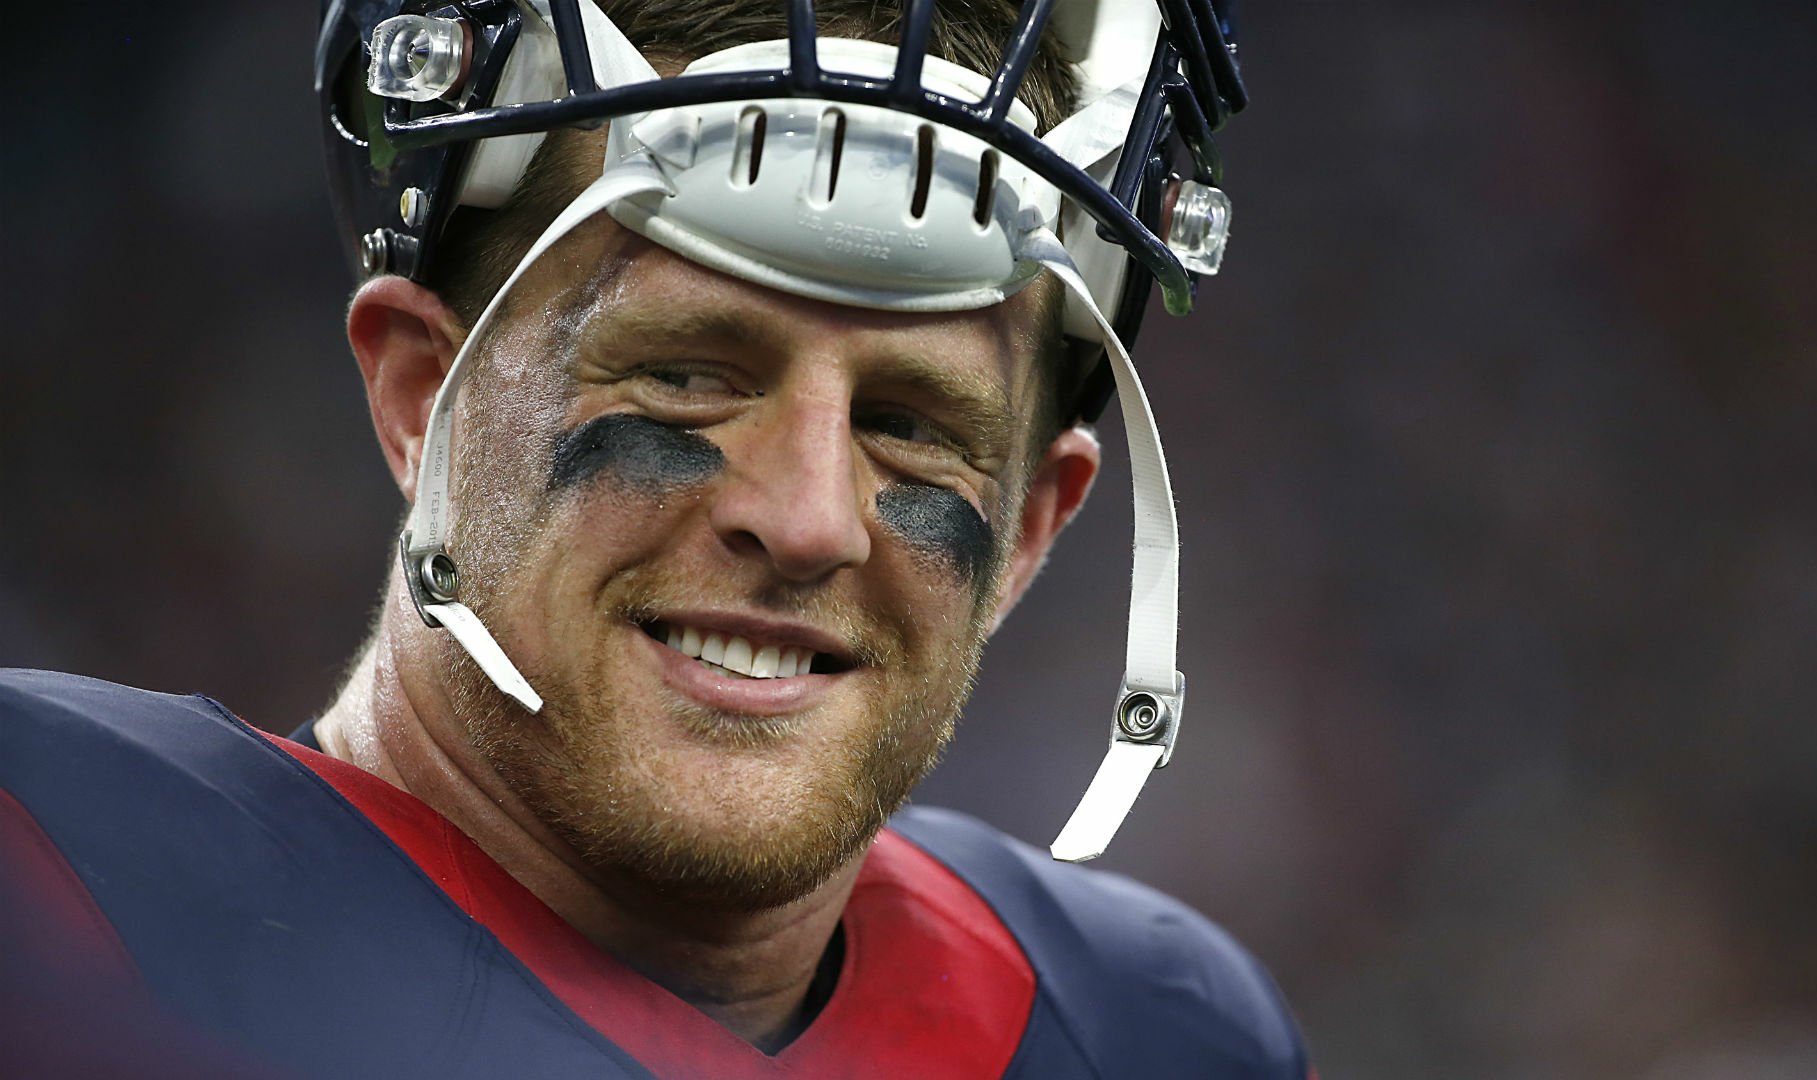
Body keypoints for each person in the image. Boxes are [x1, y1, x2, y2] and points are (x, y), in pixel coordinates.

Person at [0, 1, 1310, 1076]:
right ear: (420, 400)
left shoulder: (1163, 1033)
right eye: (688, 374)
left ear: (1029, 530)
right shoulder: (48, 889)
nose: (803, 518)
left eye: (913, 425)